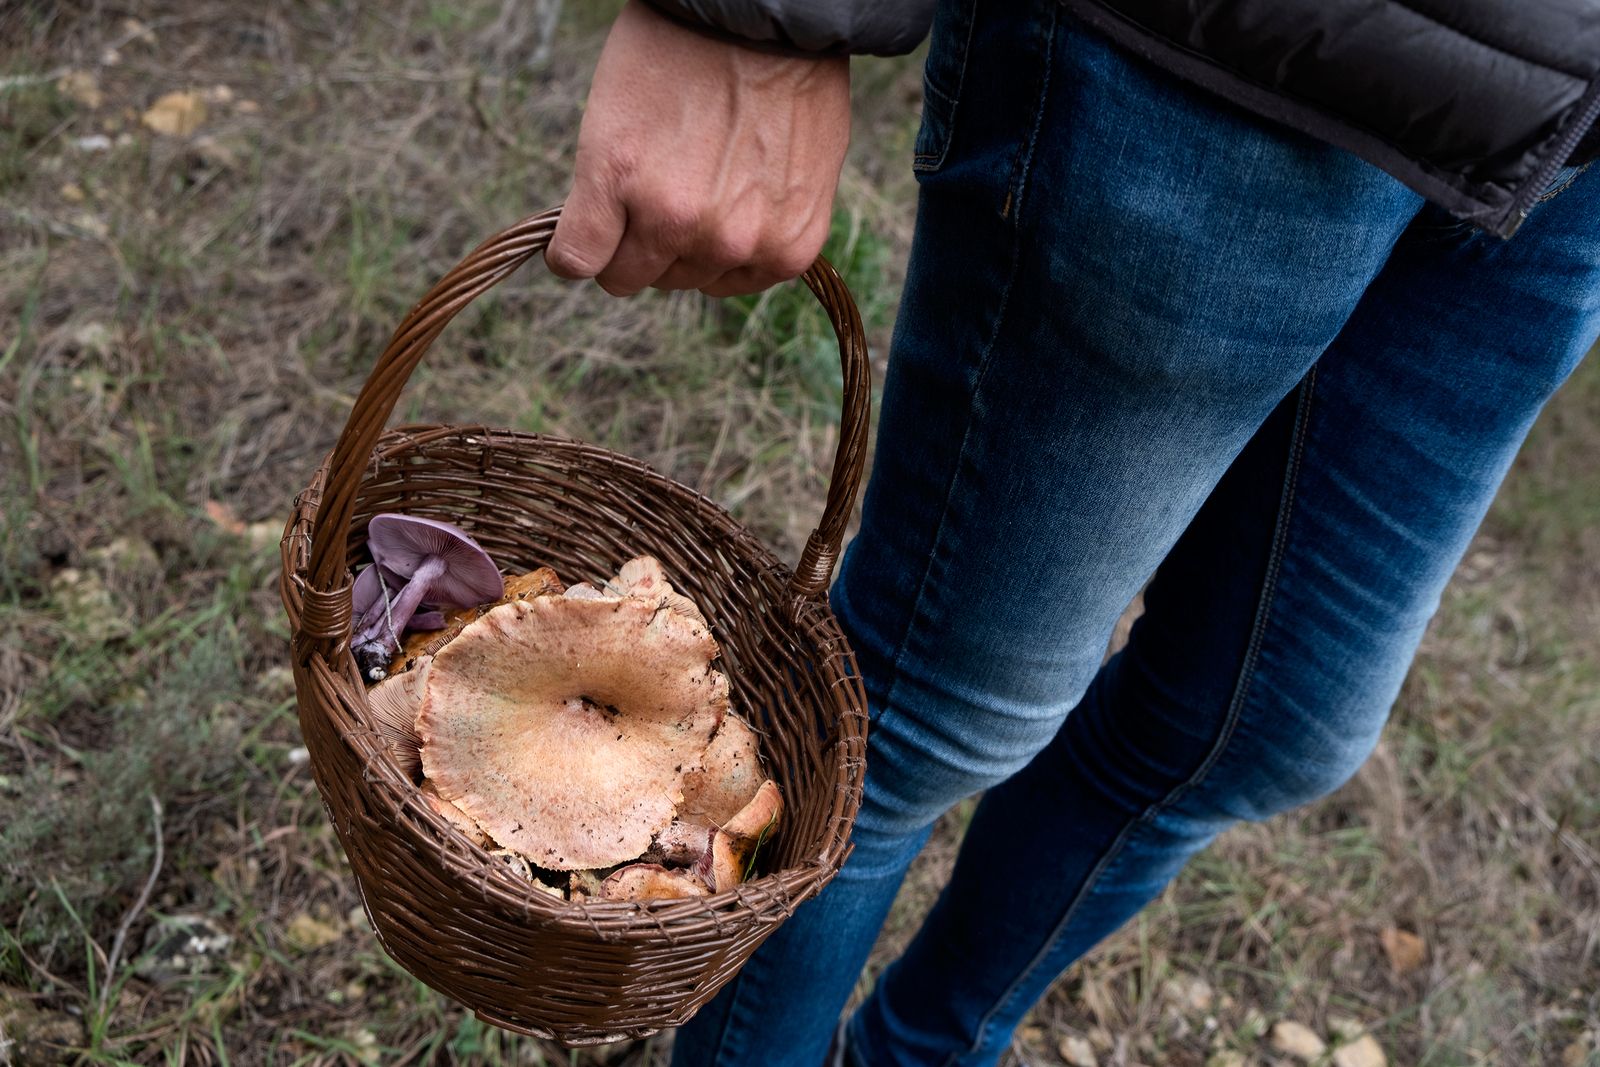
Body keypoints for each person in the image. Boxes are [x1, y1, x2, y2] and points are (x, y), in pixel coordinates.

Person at [544, 2, 1600, 1065]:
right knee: (918, 715)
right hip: (1227, 57)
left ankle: (923, 1049)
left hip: (1565, 149)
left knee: (1258, 726)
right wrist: (765, 24)